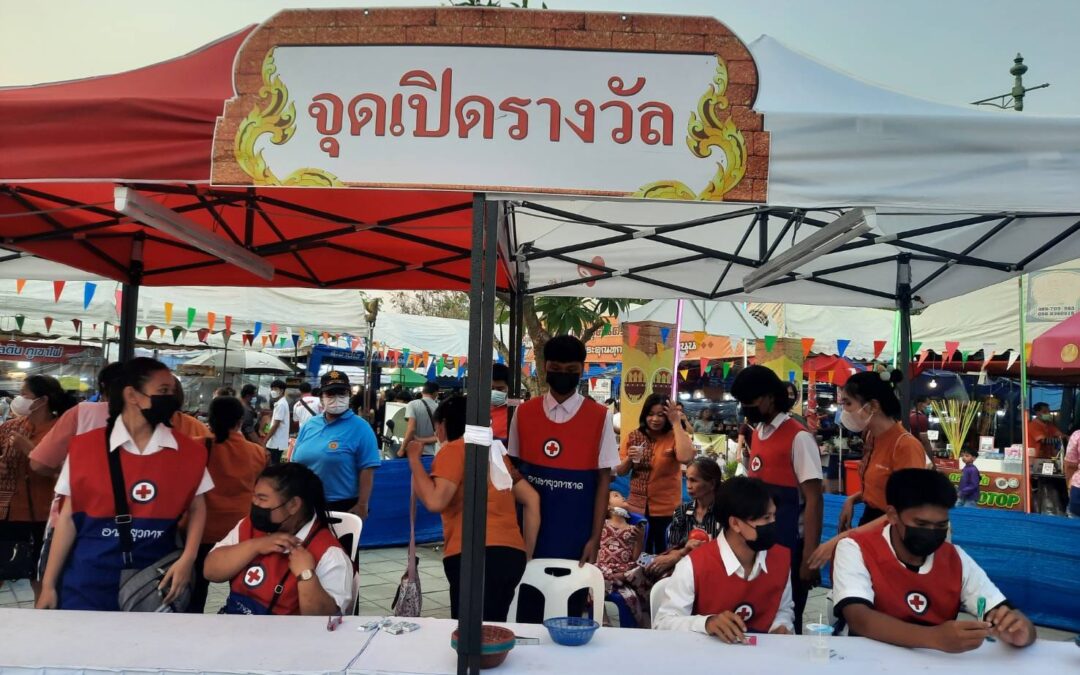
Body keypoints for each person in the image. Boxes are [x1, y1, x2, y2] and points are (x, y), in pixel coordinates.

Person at [36, 358, 212, 611]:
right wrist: (49, 584)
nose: (171, 399)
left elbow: (198, 506)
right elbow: (68, 518)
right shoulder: (85, 447)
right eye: (163, 391)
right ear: (132, 395)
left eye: (172, 392)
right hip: (87, 578)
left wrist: (188, 559)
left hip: (151, 581)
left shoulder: (188, 452)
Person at [833, 469, 1036, 651]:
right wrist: (934, 638)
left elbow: (1000, 609)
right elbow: (859, 619)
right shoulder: (856, 548)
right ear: (893, 515)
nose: (931, 533)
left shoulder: (956, 559)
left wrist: (1022, 631)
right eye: (921, 524)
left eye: (941, 526)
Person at [406, 395, 539, 621]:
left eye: (437, 427)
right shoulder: (496, 454)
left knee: (470, 633)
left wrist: (414, 460)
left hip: (471, 554)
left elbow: (435, 501)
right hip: (510, 555)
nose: (437, 433)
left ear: (444, 424)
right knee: (492, 627)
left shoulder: (454, 450)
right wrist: (526, 552)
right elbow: (532, 499)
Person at [508, 335, 619, 565]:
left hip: (576, 534)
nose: (563, 374)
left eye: (571, 370)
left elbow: (603, 482)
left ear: (581, 370)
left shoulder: (599, 417)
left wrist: (595, 539)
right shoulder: (524, 413)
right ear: (545, 367)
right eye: (556, 368)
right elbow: (512, 472)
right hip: (527, 534)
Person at [730, 365, 822, 633]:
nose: (745, 407)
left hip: (790, 545)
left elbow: (815, 500)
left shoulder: (799, 437)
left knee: (788, 619)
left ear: (770, 397)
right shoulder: (758, 432)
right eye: (742, 402)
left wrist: (809, 558)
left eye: (750, 400)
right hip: (761, 545)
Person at [809, 371, 929, 568]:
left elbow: (906, 510)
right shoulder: (872, 437)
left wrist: (846, 537)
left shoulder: (905, 446)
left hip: (893, 532)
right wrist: (852, 499)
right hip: (870, 520)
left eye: (848, 403)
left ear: (873, 406)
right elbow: (880, 485)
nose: (844, 411)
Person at [655, 476, 794, 640]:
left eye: (774, 516)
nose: (773, 523)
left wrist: (781, 626)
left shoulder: (780, 559)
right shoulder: (694, 566)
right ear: (735, 523)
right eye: (766, 518)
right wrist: (706, 623)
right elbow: (662, 623)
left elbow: (784, 609)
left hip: (763, 653)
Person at [204, 463, 352, 615]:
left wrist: (306, 574)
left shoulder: (328, 553)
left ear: (293, 505)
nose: (255, 503)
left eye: (262, 498)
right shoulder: (249, 525)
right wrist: (255, 546)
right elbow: (210, 571)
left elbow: (324, 621)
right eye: (254, 496)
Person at [188, 395, 268, 613]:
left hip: (201, 533)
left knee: (195, 595)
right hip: (240, 534)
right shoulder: (257, 452)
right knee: (243, 593)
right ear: (240, 421)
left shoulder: (197, 447)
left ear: (210, 420)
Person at [0, 375, 75, 598]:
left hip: (44, 514)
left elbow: (64, 471)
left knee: (40, 576)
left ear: (42, 400)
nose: (19, 399)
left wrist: (29, 448)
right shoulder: (9, 427)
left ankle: (42, 613)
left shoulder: (62, 430)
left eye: (24, 394)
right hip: (6, 512)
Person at [291, 370, 380, 519]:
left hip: (341, 506)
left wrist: (362, 504)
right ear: (321, 398)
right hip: (305, 504)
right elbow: (295, 460)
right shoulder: (310, 424)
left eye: (341, 393)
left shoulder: (361, 427)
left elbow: (368, 468)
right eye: (330, 394)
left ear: (349, 396)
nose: (336, 398)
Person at [614, 393, 695, 554]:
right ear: (644, 415)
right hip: (637, 508)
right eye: (651, 414)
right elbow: (620, 471)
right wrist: (629, 458)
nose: (655, 419)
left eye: (660, 415)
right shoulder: (634, 436)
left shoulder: (675, 436)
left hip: (666, 509)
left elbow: (686, 458)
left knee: (663, 553)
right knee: (637, 551)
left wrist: (676, 422)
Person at [29, 362, 123, 476]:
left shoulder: (82, 412)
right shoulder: (142, 416)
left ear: (103, 385)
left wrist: (69, 470)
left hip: (89, 485)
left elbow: (39, 464)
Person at [662, 457, 725, 568]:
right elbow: (671, 550)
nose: (688, 486)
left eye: (693, 480)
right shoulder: (681, 512)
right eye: (687, 479)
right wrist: (683, 551)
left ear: (712, 484)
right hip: (685, 568)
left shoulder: (725, 514)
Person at [598, 491, 648, 627]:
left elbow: (635, 558)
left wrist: (639, 540)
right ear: (607, 507)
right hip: (603, 569)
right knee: (593, 578)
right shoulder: (602, 525)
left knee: (642, 568)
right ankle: (602, 619)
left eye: (622, 495)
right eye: (616, 495)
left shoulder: (633, 530)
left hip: (624, 571)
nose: (623, 497)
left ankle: (638, 622)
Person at [399, 381, 439, 457]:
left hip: (413, 451)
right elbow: (438, 437)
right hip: (429, 454)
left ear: (422, 392)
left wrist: (402, 448)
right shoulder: (439, 408)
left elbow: (411, 429)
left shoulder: (412, 404)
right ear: (436, 393)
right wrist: (421, 440)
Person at [264, 379, 291, 464]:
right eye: (272, 389)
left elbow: (276, 425)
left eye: (275, 389)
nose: (273, 391)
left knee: (273, 465)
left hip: (276, 443)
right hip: (277, 442)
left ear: (282, 391)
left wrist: (265, 440)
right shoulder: (280, 403)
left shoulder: (281, 404)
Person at [490, 363, 511, 444]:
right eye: (491, 388)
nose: (494, 392)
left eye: (500, 389)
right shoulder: (477, 409)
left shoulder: (515, 411)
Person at [1066, 424, 1080, 518]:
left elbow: (1069, 465)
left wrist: (1068, 487)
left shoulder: (1077, 435)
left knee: (1074, 524)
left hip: (1078, 489)